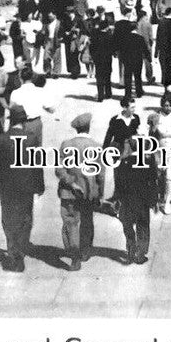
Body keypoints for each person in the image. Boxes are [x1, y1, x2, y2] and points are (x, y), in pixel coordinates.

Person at [0, 106, 44, 272]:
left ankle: (13, 253)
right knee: (26, 219)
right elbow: (37, 165)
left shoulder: (0, 139)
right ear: (24, 122)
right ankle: (21, 248)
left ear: (10, 120)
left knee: (9, 219)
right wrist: (39, 186)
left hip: (7, 189)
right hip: (26, 188)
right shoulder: (32, 139)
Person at [55, 113, 104, 271]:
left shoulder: (66, 145)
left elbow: (59, 170)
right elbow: (100, 175)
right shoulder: (96, 146)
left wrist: (71, 183)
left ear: (76, 129)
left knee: (71, 222)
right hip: (88, 192)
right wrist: (100, 194)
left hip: (69, 192)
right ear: (89, 127)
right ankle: (85, 251)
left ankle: (74, 256)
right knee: (87, 221)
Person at [115, 137, 159, 265]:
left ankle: (131, 247)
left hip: (128, 200)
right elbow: (153, 182)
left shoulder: (123, 162)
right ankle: (141, 253)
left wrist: (119, 199)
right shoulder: (148, 161)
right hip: (143, 201)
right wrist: (154, 200)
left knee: (127, 225)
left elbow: (119, 184)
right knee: (143, 225)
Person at [9, 69, 59, 145]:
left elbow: (12, 108)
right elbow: (51, 109)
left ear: (20, 78)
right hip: (35, 123)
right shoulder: (40, 91)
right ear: (32, 78)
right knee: (36, 150)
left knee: (20, 150)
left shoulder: (15, 93)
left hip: (19, 124)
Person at [135, 7, 155, 84]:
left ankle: (138, 79)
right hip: (146, 45)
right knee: (148, 62)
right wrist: (151, 44)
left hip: (137, 45)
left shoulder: (137, 24)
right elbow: (151, 37)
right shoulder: (148, 24)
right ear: (144, 16)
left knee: (138, 63)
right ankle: (149, 78)